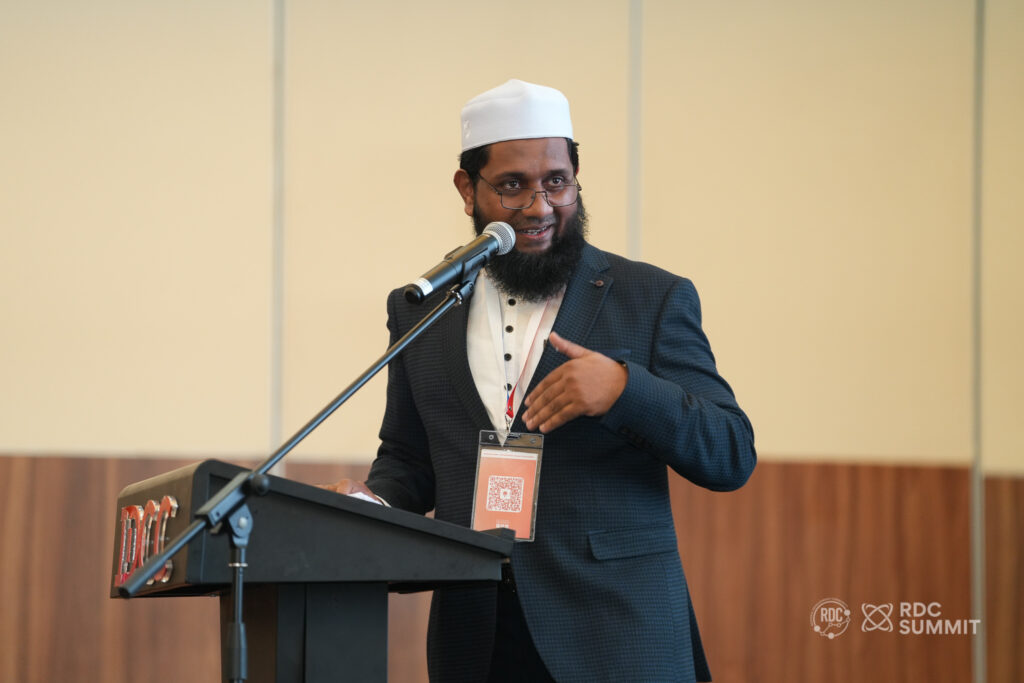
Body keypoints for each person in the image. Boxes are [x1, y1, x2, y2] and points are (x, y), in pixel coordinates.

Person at [324, 79, 756, 683]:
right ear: (466, 189)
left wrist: (624, 390)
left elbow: (731, 453)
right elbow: (411, 459)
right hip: (477, 635)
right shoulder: (421, 308)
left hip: (615, 632)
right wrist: (372, 503)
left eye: (557, 182)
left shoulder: (651, 296)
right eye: (512, 186)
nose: (539, 206)